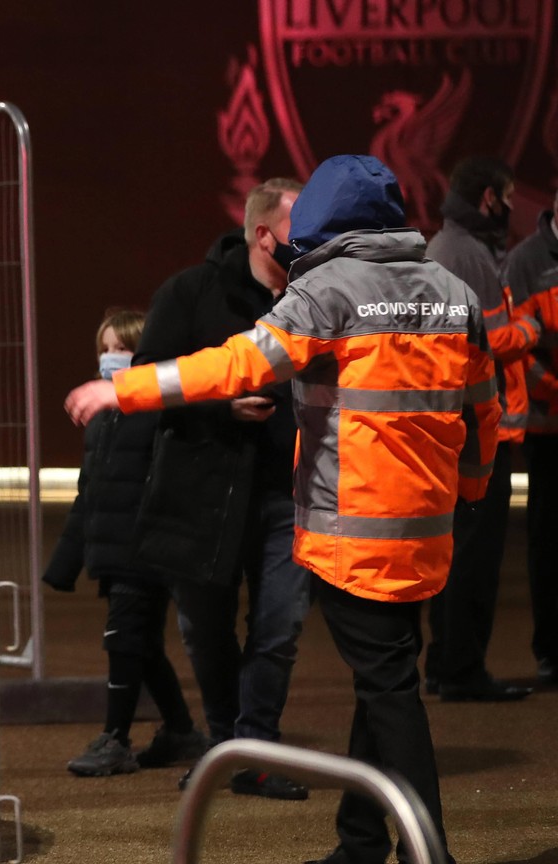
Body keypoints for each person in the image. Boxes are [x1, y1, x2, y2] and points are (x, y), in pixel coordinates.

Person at [66, 155, 500, 864]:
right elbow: (486, 410)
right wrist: (474, 492)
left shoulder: (328, 290)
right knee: (383, 680)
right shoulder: (453, 294)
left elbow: (239, 363)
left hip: (354, 536)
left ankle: (431, 855)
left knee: (390, 691)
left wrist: (126, 389)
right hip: (426, 532)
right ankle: (360, 846)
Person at [131, 177, 314, 800]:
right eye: (301, 226)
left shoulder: (317, 297)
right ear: (264, 234)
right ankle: (225, 743)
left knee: (279, 627)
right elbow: (146, 382)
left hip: (289, 493)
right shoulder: (189, 293)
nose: (317, 237)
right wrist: (221, 407)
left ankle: (254, 748)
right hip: (204, 493)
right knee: (205, 632)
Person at [43, 309, 210, 777]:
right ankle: (180, 731)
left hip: (145, 549)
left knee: (122, 640)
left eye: (121, 348)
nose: (110, 358)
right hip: (115, 551)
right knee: (142, 645)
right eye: (105, 347)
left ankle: (115, 738)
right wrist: (65, 562)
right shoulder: (102, 420)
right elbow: (89, 493)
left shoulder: (158, 414)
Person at [423, 156, 537, 702]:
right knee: (474, 556)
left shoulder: (448, 246)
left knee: (456, 552)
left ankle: (446, 664)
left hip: (459, 428)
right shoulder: (467, 253)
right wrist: (535, 324)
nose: (513, 205)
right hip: (477, 433)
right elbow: (492, 341)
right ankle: (461, 670)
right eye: (508, 194)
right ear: (490, 197)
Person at [505, 186, 558, 686]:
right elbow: (518, 345)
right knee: (548, 542)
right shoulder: (527, 262)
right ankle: (552, 654)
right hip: (549, 427)